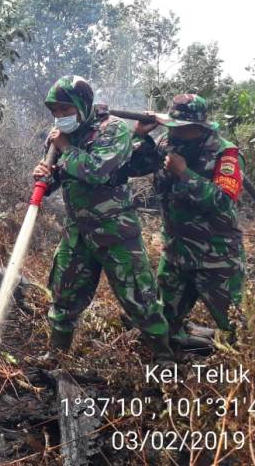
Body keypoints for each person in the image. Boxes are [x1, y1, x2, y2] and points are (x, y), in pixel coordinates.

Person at [32, 75, 173, 362]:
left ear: (82, 105)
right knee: (64, 296)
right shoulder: (59, 137)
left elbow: (97, 171)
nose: (59, 116)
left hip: (115, 230)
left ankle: (164, 358)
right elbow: (58, 179)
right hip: (78, 232)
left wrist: (66, 148)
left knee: (139, 297)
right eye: (55, 111)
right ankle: (57, 357)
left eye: (65, 109)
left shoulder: (113, 130)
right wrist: (45, 176)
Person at [128, 93, 246, 347]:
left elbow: (224, 203)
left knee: (237, 330)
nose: (175, 133)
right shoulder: (167, 143)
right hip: (176, 254)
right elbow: (134, 168)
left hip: (216, 258)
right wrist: (140, 136)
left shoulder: (225, 154)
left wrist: (184, 173)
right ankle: (182, 354)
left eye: (181, 128)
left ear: (199, 127)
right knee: (164, 324)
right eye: (172, 126)